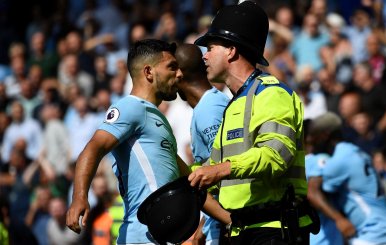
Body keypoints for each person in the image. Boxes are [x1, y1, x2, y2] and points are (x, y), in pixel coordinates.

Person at [66, 39, 231, 244]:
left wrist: (231, 220)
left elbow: (190, 181)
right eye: (171, 67)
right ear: (148, 72)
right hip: (141, 236)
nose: (179, 74)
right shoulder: (130, 107)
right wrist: (79, 197)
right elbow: (93, 148)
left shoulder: (157, 119)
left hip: (162, 236)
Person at [189, 1, 318, 244]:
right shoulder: (234, 104)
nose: (204, 56)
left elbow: (275, 155)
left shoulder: (273, 94)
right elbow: (214, 168)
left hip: (275, 230)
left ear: (231, 51)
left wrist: (219, 170)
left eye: (211, 47)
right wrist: (186, 175)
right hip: (242, 230)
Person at [175, 43, 230, 245]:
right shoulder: (206, 107)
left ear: (179, 74)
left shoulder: (210, 109)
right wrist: (200, 230)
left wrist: (224, 225)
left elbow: (225, 172)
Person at [308, 112, 386, 244]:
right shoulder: (354, 151)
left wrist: (339, 219)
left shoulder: (339, 160)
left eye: (314, 137)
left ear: (324, 135)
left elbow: (312, 192)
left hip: (372, 233)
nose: (311, 142)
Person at [305, 113, 354, 245]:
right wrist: (339, 219)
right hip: (325, 239)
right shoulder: (321, 160)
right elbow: (313, 192)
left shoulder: (299, 165)